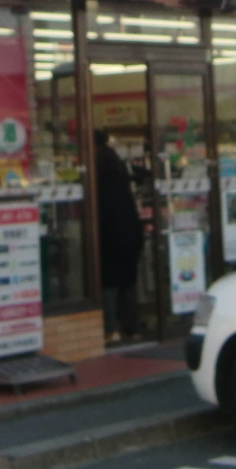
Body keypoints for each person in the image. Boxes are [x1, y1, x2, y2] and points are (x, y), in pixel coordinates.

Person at [94, 128, 143, 343]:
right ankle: (131, 328)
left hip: (109, 233)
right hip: (129, 229)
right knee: (127, 283)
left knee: (109, 285)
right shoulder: (118, 164)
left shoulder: (96, 163)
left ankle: (110, 329)